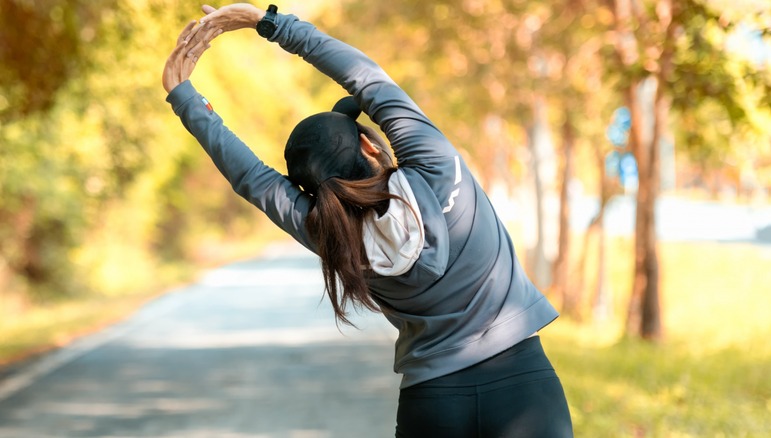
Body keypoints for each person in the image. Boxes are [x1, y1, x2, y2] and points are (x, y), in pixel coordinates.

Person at [163, 3, 573, 437]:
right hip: (524, 389)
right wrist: (270, 23)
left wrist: (183, 94)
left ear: (310, 193)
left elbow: (253, 179)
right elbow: (366, 78)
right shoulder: (434, 165)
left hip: (432, 404)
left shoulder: (330, 236)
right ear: (369, 145)